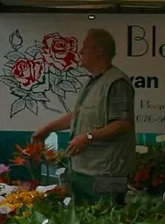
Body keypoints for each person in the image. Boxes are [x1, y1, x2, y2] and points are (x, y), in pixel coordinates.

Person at [30, 29, 136, 200]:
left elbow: (123, 123)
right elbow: (79, 115)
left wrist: (88, 137)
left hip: (105, 174)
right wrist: (48, 128)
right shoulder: (92, 81)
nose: (80, 51)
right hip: (84, 170)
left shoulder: (116, 82)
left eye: (85, 47)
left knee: (104, 222)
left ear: (99, 51)